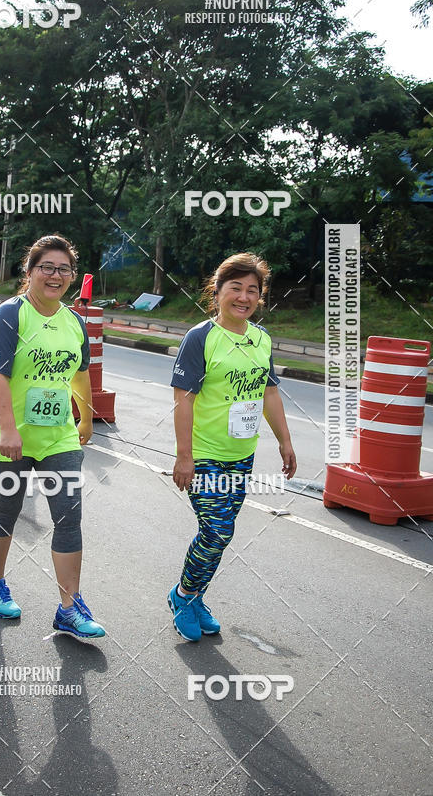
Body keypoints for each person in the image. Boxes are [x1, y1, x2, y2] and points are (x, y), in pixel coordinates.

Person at [0, 234, 105, 640]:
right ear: (29, 272)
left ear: (72, 276)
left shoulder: (75, 322)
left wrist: (85, 417)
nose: (55, 275)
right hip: (9, 438)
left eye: (63, 269)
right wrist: (10, 429)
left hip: (58, 440)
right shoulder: (9, 316)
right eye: (46, 267)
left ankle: (70, 606)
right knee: (6, 512)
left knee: (69, 518)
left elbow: (81, 373)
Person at [169, 252, 297, 642]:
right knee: (217, 530)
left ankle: (194, 596)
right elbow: (183, 399)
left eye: (252, 291)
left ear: (260, 297)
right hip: (205, 454)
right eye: (235, 288)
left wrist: (285, 440)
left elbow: (269, 392)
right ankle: (183, 595)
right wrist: (184, 455)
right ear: (218, 290)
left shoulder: (261, 339)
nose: (244, 297)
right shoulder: (201, 337)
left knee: (221, 532)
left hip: (241, 455)